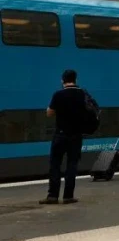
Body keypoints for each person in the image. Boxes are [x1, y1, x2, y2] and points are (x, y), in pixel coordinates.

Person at [41, 69, 87, 205]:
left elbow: (49, 113)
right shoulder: (82, 94)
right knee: (72, 165)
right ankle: (68, 196)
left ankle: (52, 196)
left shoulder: (59, 94)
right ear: (76, 80)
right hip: (76, 135)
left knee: (55, 165)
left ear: (63, 80)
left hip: (60, 135)